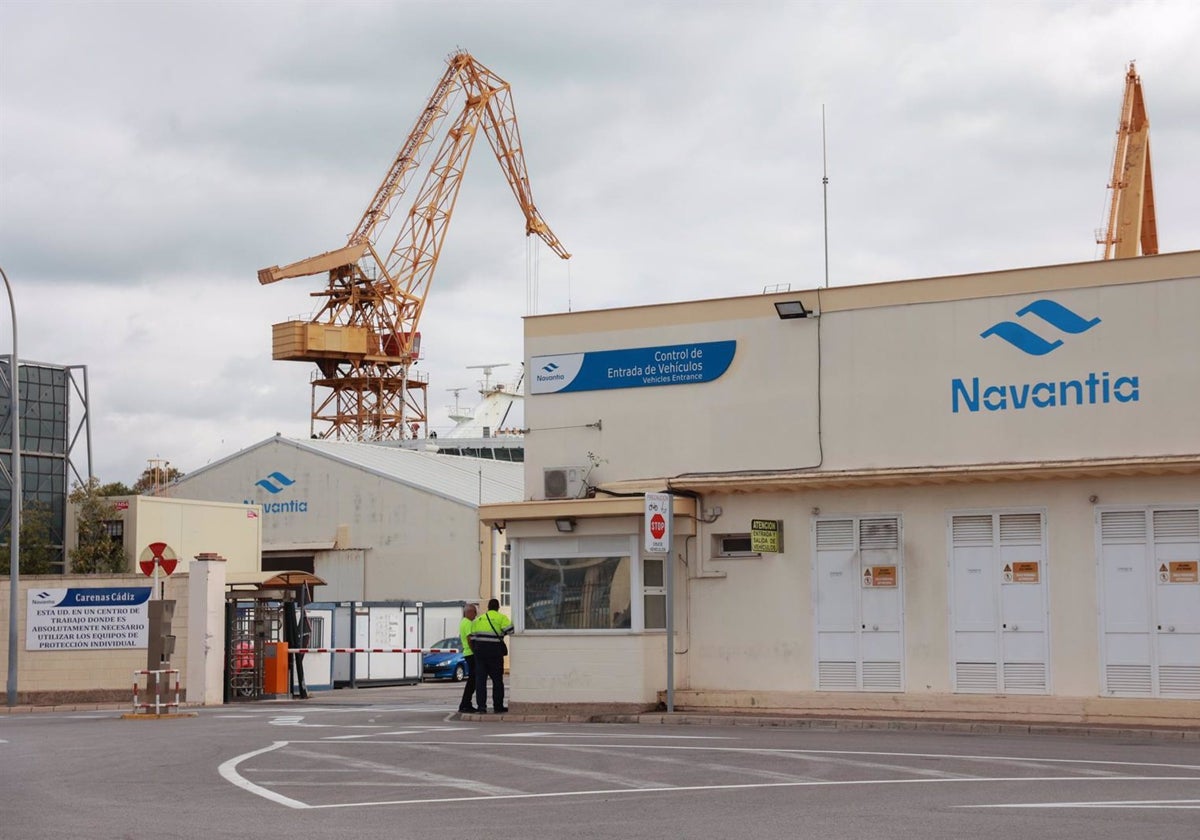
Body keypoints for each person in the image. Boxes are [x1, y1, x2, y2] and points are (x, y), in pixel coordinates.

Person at [470, 597, 514, 713]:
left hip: (480, 654)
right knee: (497, 681)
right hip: (495, 654)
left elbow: (472, 638)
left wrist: (476, 651)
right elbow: (511, 631)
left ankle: (481, 707)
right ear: (498, 608)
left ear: (488, 607)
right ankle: (498, 706)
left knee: (481, 681)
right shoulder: (501, 618)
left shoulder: (478, 620)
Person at [457, 603, 478, 713]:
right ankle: (465, 703)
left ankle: (465, 703)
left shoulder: (463, 622)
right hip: (471, 653)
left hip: (467, 653)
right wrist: (475, 651)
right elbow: (470, 639)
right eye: (474, 612)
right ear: (469, 612)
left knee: (472, 680)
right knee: (472, 681)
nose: (476, 614)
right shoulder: (468, 623)